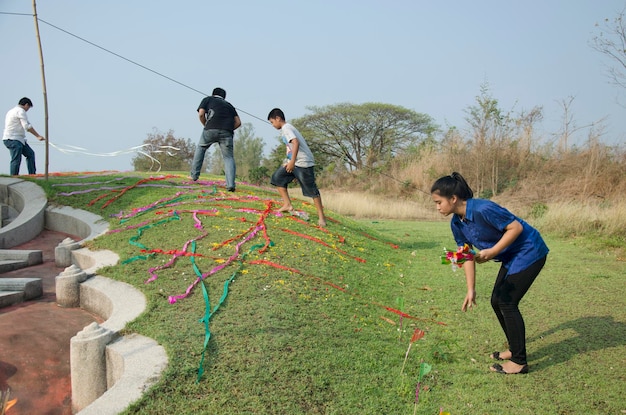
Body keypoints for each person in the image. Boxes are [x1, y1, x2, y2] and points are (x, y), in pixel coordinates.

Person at [430, 172, 549, 375]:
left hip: (529, 250)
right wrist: (471, 289)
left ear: (453, 198)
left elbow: (515, 227)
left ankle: (519, 362)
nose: (437, 207)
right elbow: (465, 254)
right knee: (496, 301)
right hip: (511, 256)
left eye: (439, 202)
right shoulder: (456, 223)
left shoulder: (484, 208)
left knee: (507, 302)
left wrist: (493, 252)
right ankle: (514, 349)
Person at [267, 108, 326, 227]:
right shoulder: (285, 130)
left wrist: (292, 162)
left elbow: (296, 142)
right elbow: (289, 147)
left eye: (272, 122)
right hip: (294, 162)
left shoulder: (287, 128)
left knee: (311, 190)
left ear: (278, 118)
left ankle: (321, 217)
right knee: (277, 177)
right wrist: (288, 161)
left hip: (303, 162)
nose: (273, 125)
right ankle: (287, 204)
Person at [190, 87, 241, 191]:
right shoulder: (229, 105)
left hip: (210, 129)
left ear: (213, 94)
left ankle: (194, 176)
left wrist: (205, 124)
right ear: (224, 97)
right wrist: (229, 129)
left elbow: (201, 114)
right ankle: (230, 184)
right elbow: (238, 122)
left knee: (201, 148)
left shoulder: (208, 99)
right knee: (228, 158)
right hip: (227, 132)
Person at [2, 97, 45, 175]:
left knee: (30, 154)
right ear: (26, 105)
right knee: (16, 159)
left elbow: (27, 124)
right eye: (28, 107)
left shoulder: (11, 111)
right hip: (13, 139)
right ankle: (14, 177)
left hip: (18, 139)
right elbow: (27, 126)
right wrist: (38, 136)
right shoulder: (21, 111)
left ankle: (32, 174)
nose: (27, 110)